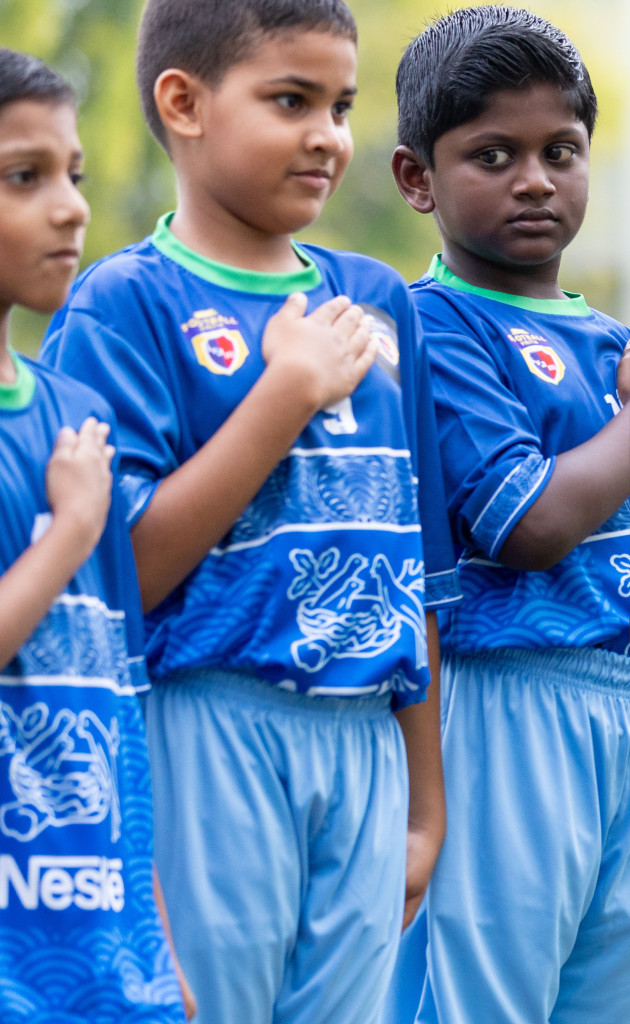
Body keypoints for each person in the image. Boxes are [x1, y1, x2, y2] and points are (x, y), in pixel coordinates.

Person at [40, 2, 460, 1021]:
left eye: (342, 104)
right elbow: (118, 574)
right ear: (182, 103)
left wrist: (425, 804)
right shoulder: (122, 304)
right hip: (209, 725)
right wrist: (283, 397)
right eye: (290, 100)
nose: (327, 134)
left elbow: (413, 570)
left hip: (367, 742)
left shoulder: (376, 299)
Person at [388, 8, 630, 1023]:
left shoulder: (616, 338)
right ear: (417, 179)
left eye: (559, 151)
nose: (534, 178)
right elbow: (529, 524)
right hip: (513, 701)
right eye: (494, 153)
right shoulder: (433, 322)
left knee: (609, 1002)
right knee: (489, 998)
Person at [0, 46, 194, 1024]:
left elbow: (118, 686)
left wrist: (153, 940)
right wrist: (73, 527)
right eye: (22, 178)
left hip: (111, 955)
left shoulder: (74, 415)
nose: (71, 206)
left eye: (72, 174)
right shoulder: (81, 485)